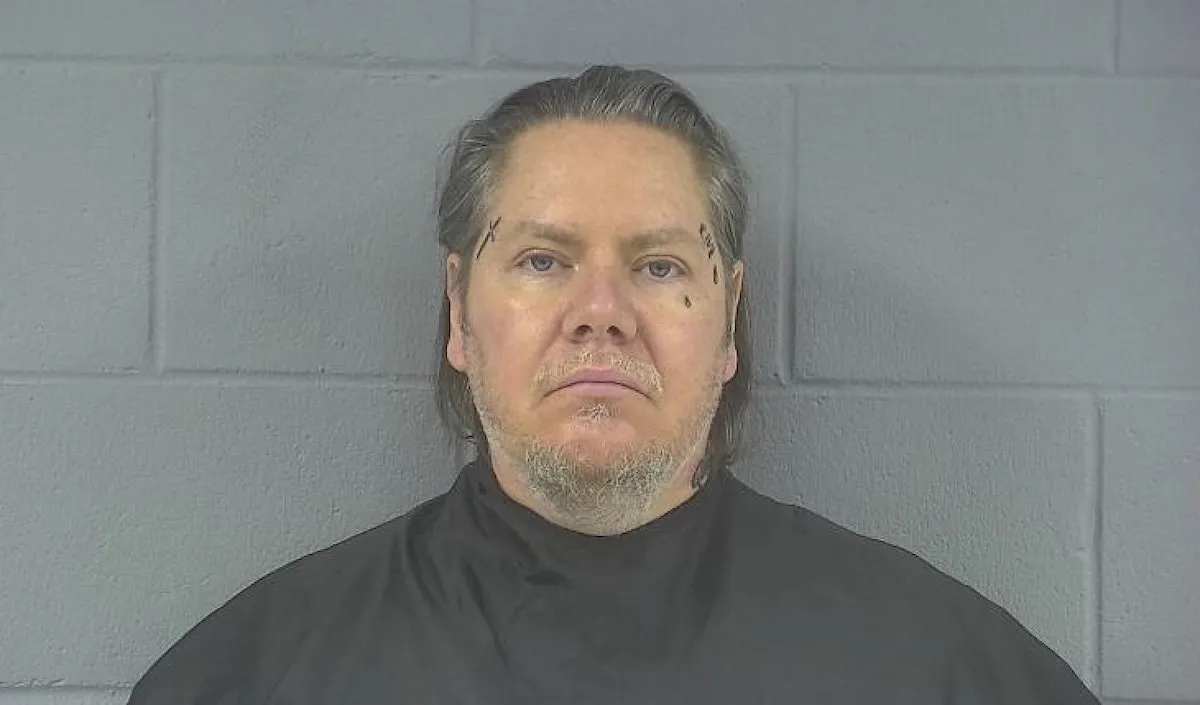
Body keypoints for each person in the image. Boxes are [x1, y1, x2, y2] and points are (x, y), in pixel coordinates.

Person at [128, 65, 1100, 704]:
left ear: (728, 321)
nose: (601, 311)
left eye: (660, 265)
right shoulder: (262, 673)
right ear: (460, 310)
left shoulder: (928, 664)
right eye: (543, 261)